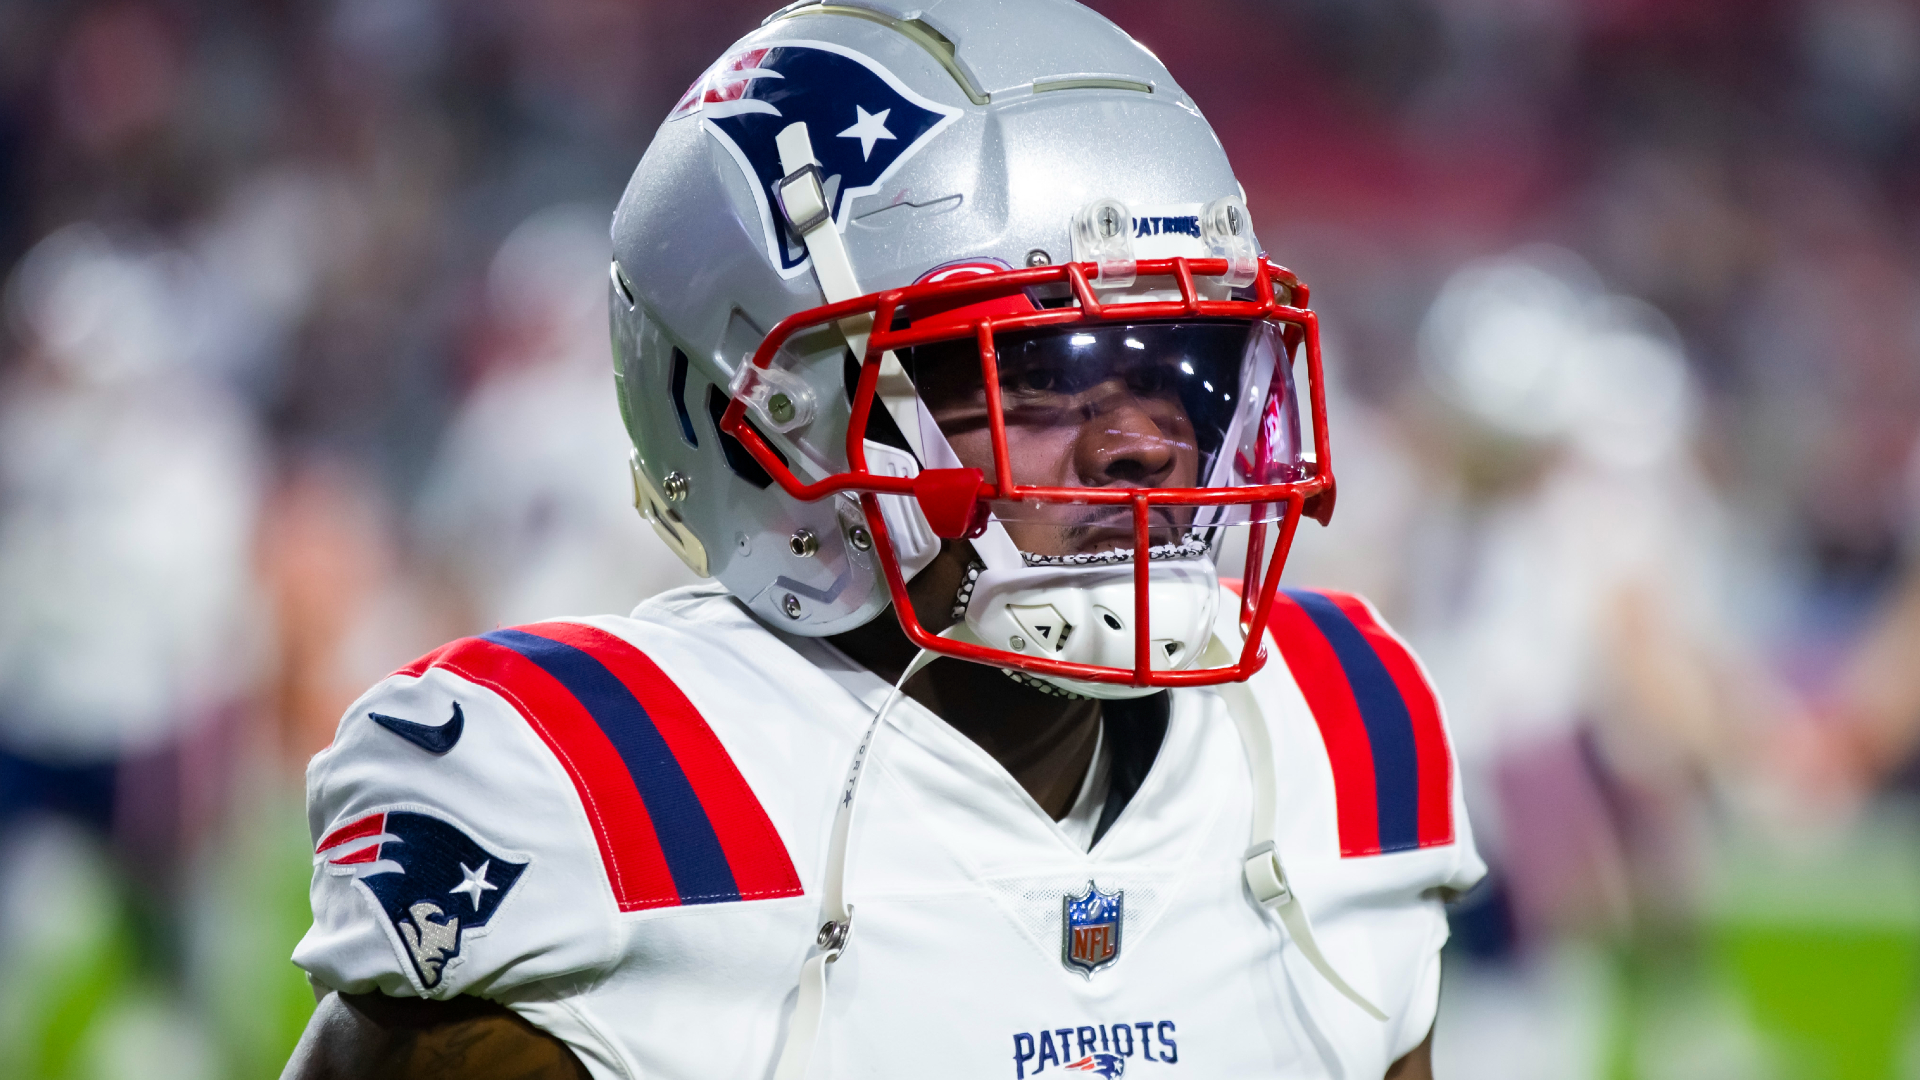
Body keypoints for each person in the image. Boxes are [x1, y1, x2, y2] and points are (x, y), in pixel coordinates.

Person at [281, 3, 1482, 1077]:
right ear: (766, 427)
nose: (1146, 446)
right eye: (1040, 372)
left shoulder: (1335, 738)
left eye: (1186, 366)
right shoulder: (595, 798)